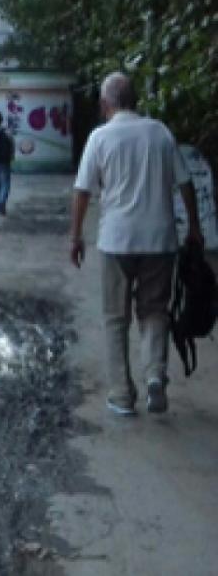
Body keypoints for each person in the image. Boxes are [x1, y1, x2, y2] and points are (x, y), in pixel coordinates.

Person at [70, 72, 202, 417]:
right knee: (154, 311)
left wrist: (76, 236)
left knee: (116, 318)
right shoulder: (159, 132)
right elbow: (186, 183)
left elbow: (82, 191)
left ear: (106, 103)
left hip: (116, 241)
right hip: (160, 240)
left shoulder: (100, 137)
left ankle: (121, 395)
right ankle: (155, 376)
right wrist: (195, 229)